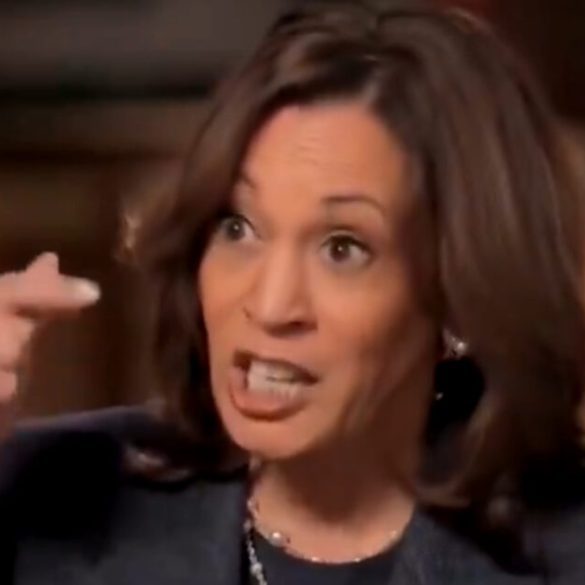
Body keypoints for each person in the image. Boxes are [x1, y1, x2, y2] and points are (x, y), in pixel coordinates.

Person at [0, 1, 584, 583]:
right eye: (238, 228)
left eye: (342, 249)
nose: (270, 306)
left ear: (458, 298)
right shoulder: (52, 504)